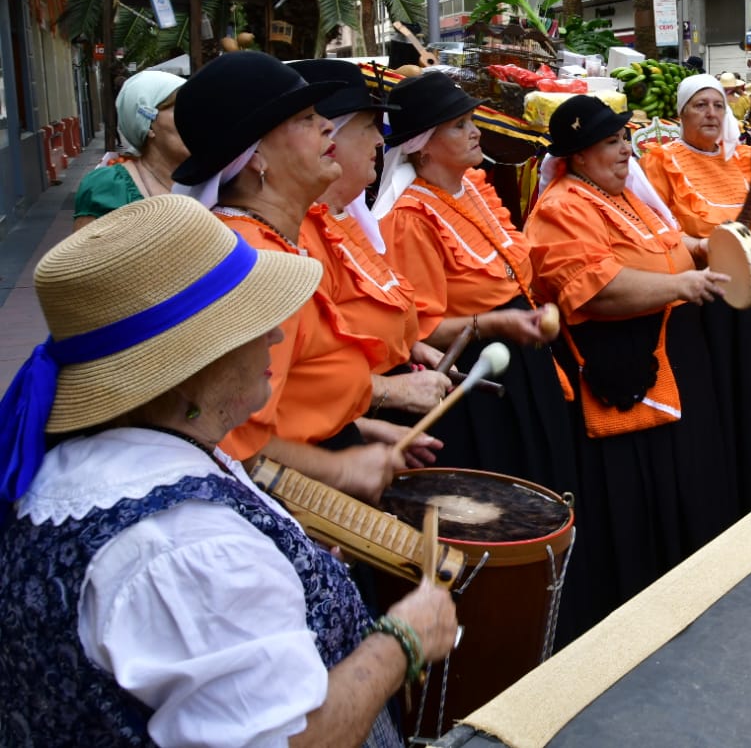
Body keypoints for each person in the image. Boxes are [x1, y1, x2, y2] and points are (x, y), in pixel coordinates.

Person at [0, 195, 456, 745]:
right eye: (252, 320)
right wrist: (402, 640)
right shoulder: (185, 548)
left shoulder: (101, 459)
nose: (276, 335)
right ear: (189, 367)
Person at [526, 95, 740, 615]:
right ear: (577, 156)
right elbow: (597, 291)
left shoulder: (626, 196)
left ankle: (684, 589)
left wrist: (702, 245)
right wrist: (684, 285)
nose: (625, 150)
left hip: (670, 359)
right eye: (610, 142)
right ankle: (638, 610)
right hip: (622, 377)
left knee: (683, 481)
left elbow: (665, 243)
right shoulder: (562, 209)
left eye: (625, 139)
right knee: (636, 499)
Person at [171, 51, 403, 502]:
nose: (325, 127)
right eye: (305, 117)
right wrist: (338, 467)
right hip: (285, 497)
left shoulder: (272, 240)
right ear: (255, 156)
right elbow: (227, 438)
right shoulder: (249, 260)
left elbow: (291, 396)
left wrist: (358, 430)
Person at [373, 72, 571, 495]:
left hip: (522, 359)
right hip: (476, 379)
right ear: (422, 145)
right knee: (510, 485)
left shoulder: (474, 187)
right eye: (459, 125)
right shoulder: (411, 219)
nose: (476, 132)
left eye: (471, 120)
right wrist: (497, 324)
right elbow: (420, 331)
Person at [641, 75, 751, 513]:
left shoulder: (747, 159)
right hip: (701, 299)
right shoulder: (660, 162)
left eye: (718, 106)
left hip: (750, 299)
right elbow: (662, 234)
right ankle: (720, 495)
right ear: (681, 113)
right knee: (713, 397)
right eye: (699, 106)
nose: (710, 114)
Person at [290, 59, 453, 439]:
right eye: (368, 127)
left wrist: (408, 346)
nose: (381, 141)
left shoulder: (345, 217)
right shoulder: (298, 235)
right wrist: (386, 394)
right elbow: (300, 375)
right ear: (331, 140)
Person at [74, 69, 188, 228]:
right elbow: (86, 252)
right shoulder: (108, 186)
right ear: (148, 124)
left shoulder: (215, 176)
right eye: (183, 109)